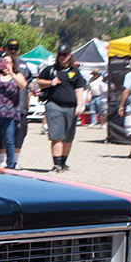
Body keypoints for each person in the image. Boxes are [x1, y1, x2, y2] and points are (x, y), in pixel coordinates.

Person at [36, 44, 86, 172]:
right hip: (54, 105)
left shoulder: (75, 71)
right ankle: (56, 164)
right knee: (56, 136)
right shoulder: (50, 69)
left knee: (68, 138)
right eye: (59, 54)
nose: (62, 57)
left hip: (71, 107)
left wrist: (80, 105)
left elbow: (79, 89)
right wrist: (50, 82)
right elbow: (38, 82)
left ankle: (63, 163)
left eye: (64, 54)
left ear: (69, 56)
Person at [3, 40, 34, 167]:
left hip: (21, 106)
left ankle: (15, 161)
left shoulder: (23, 65)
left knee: (21, 133)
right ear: (6, 49)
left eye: (15, 48)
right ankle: (4, 161)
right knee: (4, 135)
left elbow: (29, 81)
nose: (13, 51)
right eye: (11, 48)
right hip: (5, 107)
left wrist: (31, 89)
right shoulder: (1, 64)